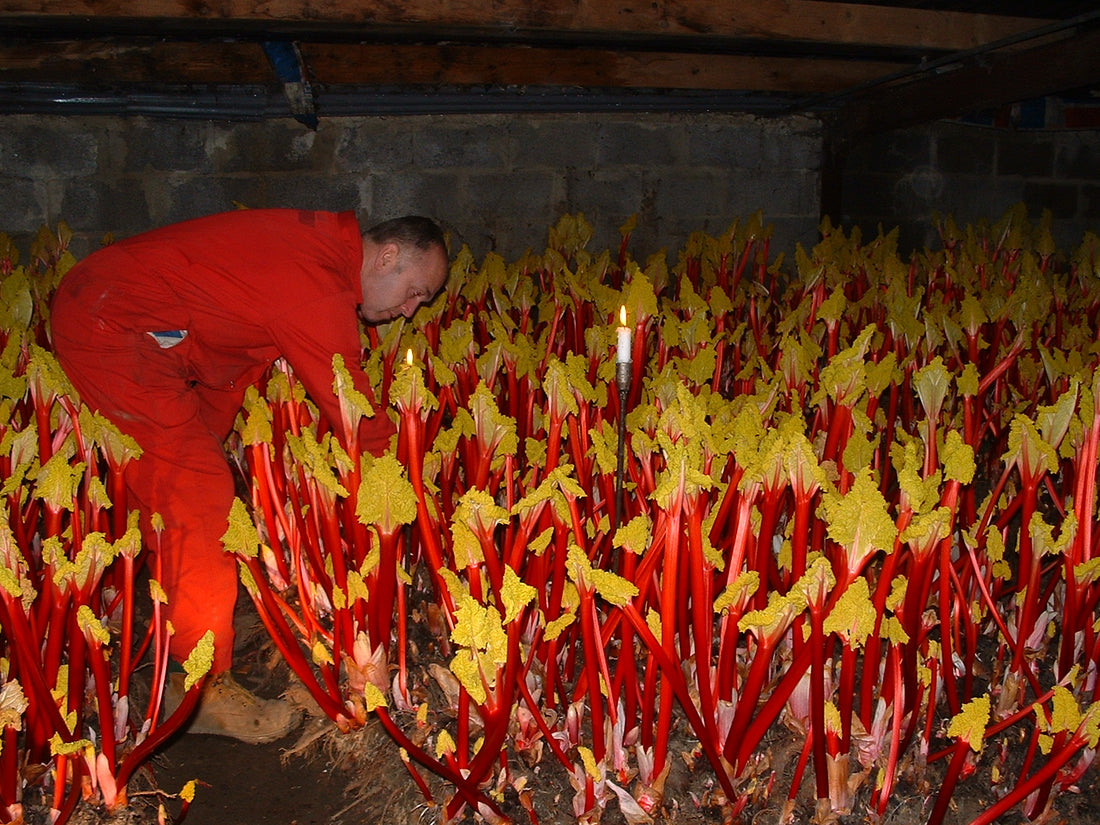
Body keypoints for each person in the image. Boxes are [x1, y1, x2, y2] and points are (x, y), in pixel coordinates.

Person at [50, 209, 448, 743]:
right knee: (198, 494)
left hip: (139, 321)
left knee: (184, 476)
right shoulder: (315, 283)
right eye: (415, 292)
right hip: (113, 322)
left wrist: (206, 440)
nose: (409, 310)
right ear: (389, 255)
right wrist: (411, 492)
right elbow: (352, 414)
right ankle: (197, 690)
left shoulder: (315, 258)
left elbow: (233, 357)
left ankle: (169, 607)